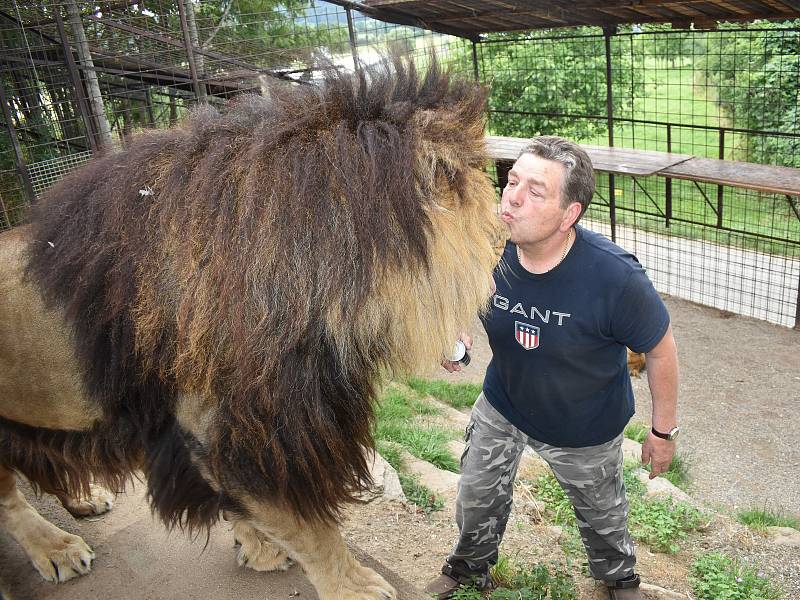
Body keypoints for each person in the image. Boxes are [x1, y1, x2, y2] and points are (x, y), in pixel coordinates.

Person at [424, 136, 679, 600]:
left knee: (602, 516)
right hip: (504, 406)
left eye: (535, 191)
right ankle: (467, 569)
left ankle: (618, 579)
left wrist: (663, 432)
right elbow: (463, 290)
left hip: (584, 427)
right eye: (512, 181)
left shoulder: (615, 278)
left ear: (569, 215)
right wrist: (456, 325)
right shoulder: (487, 247)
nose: (512, 196)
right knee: (477, 496)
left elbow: (661, 350)